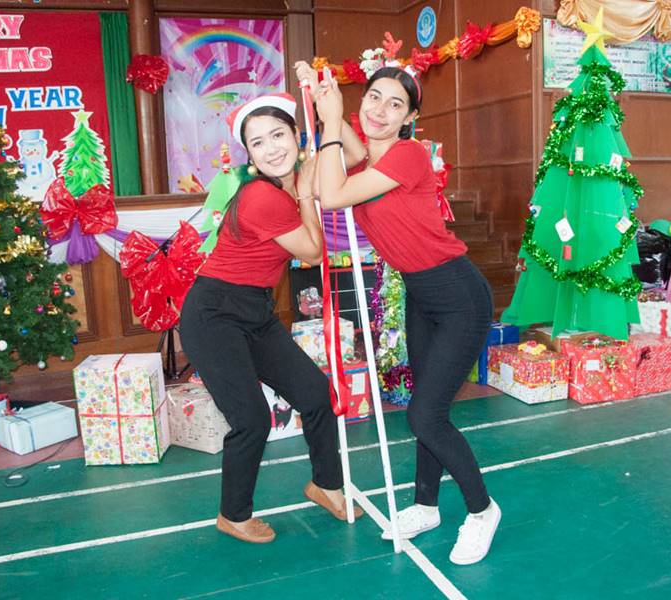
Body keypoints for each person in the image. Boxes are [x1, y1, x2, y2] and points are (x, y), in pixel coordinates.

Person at [304, 63, 500, 565]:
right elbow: (347, 152)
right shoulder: (370, 158)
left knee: (424, 416)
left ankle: (482, 511)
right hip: (420, 293)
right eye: (374, 97)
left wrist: (330, 121)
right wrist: (324, 97)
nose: (380, 110)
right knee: (427, 411)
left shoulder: (409, 156)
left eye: (395, 104)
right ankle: (426, 506)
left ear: (410, 117)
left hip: (458, 296)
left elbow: (333, 194)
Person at [179, 93, 363, 545]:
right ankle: (233, 514)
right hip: (214, 313)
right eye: (258, 143)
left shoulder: (291, 179)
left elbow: (355, 156)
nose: (271, 148)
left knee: (316, 396)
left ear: (296, 136)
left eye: (278, 135)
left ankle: (326, 485)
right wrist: (306, 193)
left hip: (255, 311)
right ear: (250, 154)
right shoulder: (263, 195)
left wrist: (330, 111)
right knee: (252, 420)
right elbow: (313, 252)